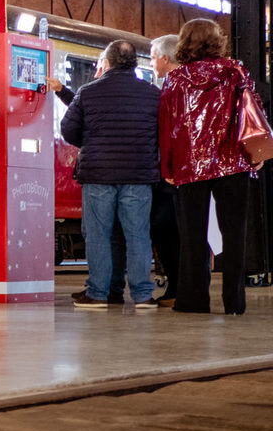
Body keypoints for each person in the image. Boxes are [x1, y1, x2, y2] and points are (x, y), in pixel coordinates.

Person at [158, 19, 264, 315]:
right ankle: (234, 302)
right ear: (218, 41)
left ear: (184, 42)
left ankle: (193, 301)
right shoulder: (235, 71)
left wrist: (166, 166)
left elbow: (167, 125)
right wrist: (255, 152)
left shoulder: (176, 79)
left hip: (189, 166)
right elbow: (252, 112)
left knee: (191, 236)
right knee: (234, 234)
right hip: (233, 163)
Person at [59, 40, 162, 308]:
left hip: (98, 174)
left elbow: (68, 131)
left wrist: (93, 140)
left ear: (108, 61)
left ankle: (97, 294)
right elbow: (163, 133)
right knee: (138, 234)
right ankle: (142, 295)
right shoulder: (152, 93)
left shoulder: (88, 92)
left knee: (98, 235)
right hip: (138, 176)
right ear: (135, 63)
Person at [148, 33, 183, 307]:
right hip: (179, 170)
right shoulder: (175, 83)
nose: (151, 63)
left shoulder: (176, 85)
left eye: (152, 57)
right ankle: (179, 286)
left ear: (164, 58)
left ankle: (178, 288)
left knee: (166, 228)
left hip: (173, 172)